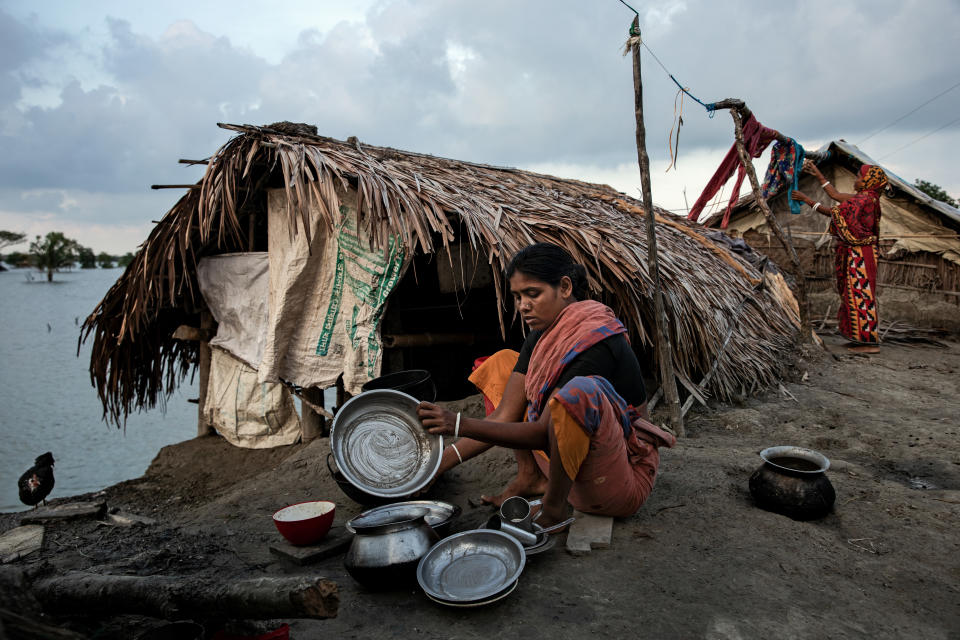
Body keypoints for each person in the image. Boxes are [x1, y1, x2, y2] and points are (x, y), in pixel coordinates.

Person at [416, 243, 675, 529]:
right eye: (517, 297)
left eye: (532, 294)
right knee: (503, 363)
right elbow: (504, 416)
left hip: (615, 482)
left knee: (577, 394)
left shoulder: (594, 340)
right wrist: (437, 465)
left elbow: (542, 433)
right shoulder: (542, 334)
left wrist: (458, 424)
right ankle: (531, 477)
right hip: (562, 464)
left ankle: (554, 509)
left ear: (564, 287)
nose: (523, 305)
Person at [792, 161, 887, 354]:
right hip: (860, 252)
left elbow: (834, 212)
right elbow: (835, 196)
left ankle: (868, 344)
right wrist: (818, 175)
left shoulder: (863, 201)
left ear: (868, 181)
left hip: (861, 253)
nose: (856, 179)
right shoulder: (868, 198)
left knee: (861, 295)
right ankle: (858, 339)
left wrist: (807, 200)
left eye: (860, 177)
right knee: (853, 295)